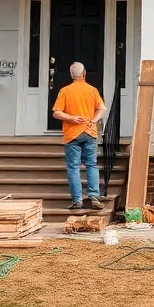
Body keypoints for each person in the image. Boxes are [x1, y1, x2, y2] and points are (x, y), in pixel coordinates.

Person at [51, 61, 107, 210]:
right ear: (84, 74)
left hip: (72, 134)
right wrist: (93, 120)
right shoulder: (92, 90)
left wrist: (71, 118)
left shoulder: (65, 91)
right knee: (91, 165)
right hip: (90, 131)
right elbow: (101, 108)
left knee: (73, 167)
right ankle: (94, 196)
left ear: (71, 75)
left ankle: (77, 200)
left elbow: (56, 113)